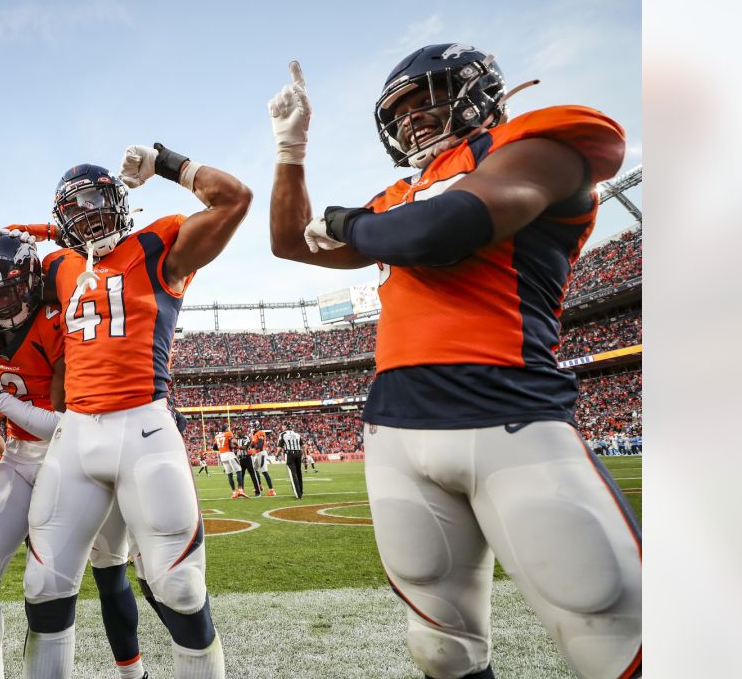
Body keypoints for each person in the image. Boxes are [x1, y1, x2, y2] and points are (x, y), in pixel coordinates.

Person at [267, 47, 641, 679]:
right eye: (400, 112)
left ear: (479, 91)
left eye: (426, 99)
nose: (413, 119)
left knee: (608, 625)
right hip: (395, 431)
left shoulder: (536, 142)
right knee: (441, 649)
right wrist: (290, 150)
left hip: (508, 414)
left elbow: (439, 232)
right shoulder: (397, 196)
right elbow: (287, 241)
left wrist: (350, 221)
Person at [17, 146, 251, 678]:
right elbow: (8, 276)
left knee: (179, 586)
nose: (87, 216)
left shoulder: (156, 244)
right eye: (72, 210)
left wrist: (170, 165)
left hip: (143, 424)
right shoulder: (59, 264)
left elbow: (234, 199)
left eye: (97, 201)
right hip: (74, 435)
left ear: (120, 202)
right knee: (43, 583)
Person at [0, 231, 150, 679]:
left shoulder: (63, 321)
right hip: (20, 457)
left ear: (30, 282)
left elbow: (67, 423)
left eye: (7, 289)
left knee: (109, 571)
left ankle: (134, 673)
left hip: (79, 455)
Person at [278, 426, 304, 499]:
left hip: (290, 454)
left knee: (293, 474)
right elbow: (303, 446)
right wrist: (304, 456)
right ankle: (301, 491)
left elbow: (279, 447)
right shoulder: (297, 434)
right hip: (298, 453)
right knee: (299, 473)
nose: (282, 427)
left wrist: (276, 455)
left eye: (283, 426)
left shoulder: (283, 434)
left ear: (286, 427)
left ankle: (298, 495)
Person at [250, 427, 277, 496]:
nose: (252, 428)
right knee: (254, 470)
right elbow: (253, 444)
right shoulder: (253, 435)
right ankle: (259, 486)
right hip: (257, 454)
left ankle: (272, 490)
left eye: (252, 426)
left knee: (264, 472)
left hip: (261, 453)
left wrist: (254, 449)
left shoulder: (260, 432)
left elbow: (261, 443)